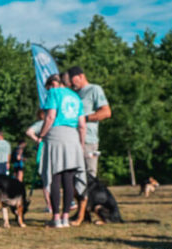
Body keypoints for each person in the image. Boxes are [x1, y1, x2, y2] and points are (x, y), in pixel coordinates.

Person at [38, 73, 86, 228]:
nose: (48, 90)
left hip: (56, 135)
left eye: (48, 87)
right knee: (69, 178)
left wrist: (42, 134)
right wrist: (81, 144)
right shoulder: (76, 96)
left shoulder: (53, 93)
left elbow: (50, 117)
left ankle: (56, 218)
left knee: (55, 176)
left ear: (53, 83)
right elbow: (82, 124)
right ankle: (66, 217)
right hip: (73, 137)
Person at [67, 66, 111, 178]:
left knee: (90, 176)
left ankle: (90, 196)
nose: (71, 83)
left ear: (81, 76)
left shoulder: (94, 89)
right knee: (74, 176)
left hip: (88, 141)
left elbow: (106, 112)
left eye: (72, 79)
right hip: (73, 140)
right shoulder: (74, 93)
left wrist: (84, 119)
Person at [26, 110, 52, 213]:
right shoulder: (55, 122)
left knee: (46, 180)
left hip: (44, 154)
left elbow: (29, 132)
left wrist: (38, 139)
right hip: (55, 153)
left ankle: (49, 205)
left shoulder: (41, 123)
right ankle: (56, 204)